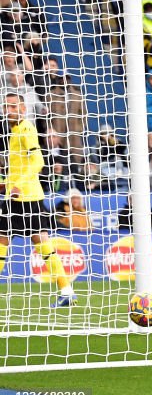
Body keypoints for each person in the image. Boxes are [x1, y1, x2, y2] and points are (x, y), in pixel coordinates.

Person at [0, 93, 76, 307]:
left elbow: (38, 161)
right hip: (19, 195)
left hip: (25, 196)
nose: (8, 110)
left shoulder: (26, 129)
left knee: (22, 240)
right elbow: (20, 165)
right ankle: (67, 291)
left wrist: (17, 184)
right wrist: (7, 182)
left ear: (23, 109)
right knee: (29, 241)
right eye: (6, 106)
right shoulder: (14, 130)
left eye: (13, 106)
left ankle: (67, 290)